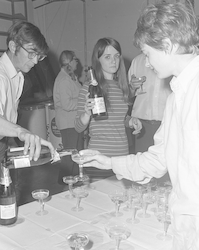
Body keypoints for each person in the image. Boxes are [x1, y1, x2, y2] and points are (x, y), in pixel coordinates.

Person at [80, 2, 199, 249]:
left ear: (167, 45)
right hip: (185, 226)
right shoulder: (177, 95)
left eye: (147, 53)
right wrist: (110, 162)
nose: (146, 61)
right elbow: (158, 160)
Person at [0, 21, 55, 201]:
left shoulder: (16, 73)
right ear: (13, 46)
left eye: (39, 56)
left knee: (9, 200)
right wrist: (21, 132)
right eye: (31, 53)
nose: (35, 61)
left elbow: (6, 114)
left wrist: (12, 140)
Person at [74, 37, 141, 179]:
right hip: (98, 159)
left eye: (116, 56)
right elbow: (78, 127)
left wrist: (131, 121)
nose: (113, 61)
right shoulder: (89, 88)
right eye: (107, 57)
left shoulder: (122, 87)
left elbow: (120, 119)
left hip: (122, 159)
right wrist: (86, 114)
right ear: (98, 60)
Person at [128, 53, 172, 153]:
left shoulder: (173, 58)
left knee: (170, 164)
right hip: (142, 126)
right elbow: (128, 97)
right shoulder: (137, 61)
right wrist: (132, 88)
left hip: (168, 124)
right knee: (142, 165)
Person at [53, 50, 83, 184]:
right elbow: (67, 104)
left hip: (75, 122)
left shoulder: (72, 77)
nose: (77, 62)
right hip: (68, 123)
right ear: (69, 62)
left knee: (76, 155)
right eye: (75, 59)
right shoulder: (64, 80)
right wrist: (83, 102)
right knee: (69, 156)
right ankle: (63, 183)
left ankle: (76, 181)